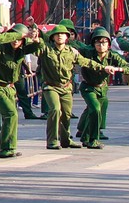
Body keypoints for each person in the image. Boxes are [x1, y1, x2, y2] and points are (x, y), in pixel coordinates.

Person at [37, 20, 118, 150]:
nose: (60, 36)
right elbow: (38, 41)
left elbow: (86, 62)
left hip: (66, 87)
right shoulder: (46, 50)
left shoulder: (72, 52)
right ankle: (52, 140)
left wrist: (103, 68)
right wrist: (35, 30)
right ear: (52, 37)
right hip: (51, 86)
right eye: (57, 34)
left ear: (67, 37)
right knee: (55, 110)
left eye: (63, 34)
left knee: (66, 115)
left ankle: (66, 140)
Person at [0, 24, 40, 156]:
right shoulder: (0, 49)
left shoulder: (21, 51)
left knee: (12, 117)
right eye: (13, 37)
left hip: (10, 88)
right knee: (11, 114)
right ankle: (6, 148)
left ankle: (4, 147)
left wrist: (36, 37)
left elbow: (38, 46)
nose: (15, 41)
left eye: (19, 39)